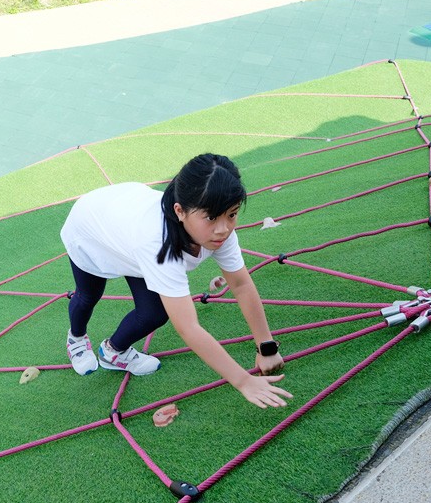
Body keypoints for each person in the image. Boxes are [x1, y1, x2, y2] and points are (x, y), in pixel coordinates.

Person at [59, 153, 293, 409]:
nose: (223, 228)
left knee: (154, 313)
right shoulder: (157, 243)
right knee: (88, 295)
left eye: (232, 214)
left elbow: (241, 285)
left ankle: (113, 352)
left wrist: (266, 346)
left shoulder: (219, 233)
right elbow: (188, 327)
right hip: (92, 228)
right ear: (180, 211)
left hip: (127, 226)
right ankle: (77, 338)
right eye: (211, 217)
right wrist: (243, 381)